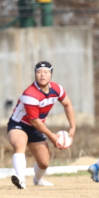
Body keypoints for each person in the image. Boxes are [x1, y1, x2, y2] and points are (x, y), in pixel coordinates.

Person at [7, 61, 76, 189]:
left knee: (44, 162)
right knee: (19, 145)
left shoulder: (57, 89)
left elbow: (67, 105)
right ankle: (20, 179)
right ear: (35, 74)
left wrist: (72, 126)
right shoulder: (30, 94)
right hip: (19, 124)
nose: (42, 75)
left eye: (46, 72)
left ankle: (38, 180)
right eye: (39, 72)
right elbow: (34, 121)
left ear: (51, 74)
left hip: (36, 128)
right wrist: (51, 136)